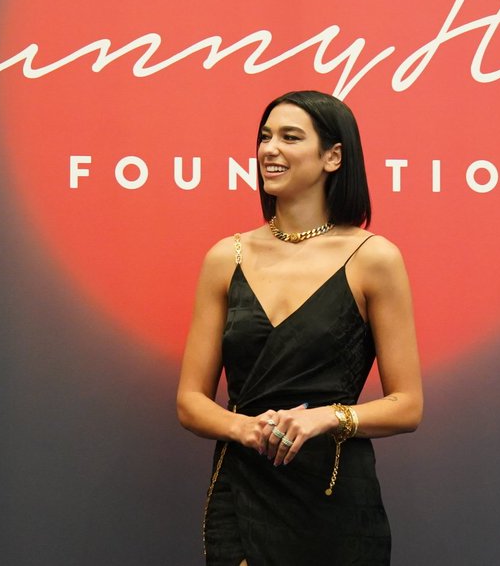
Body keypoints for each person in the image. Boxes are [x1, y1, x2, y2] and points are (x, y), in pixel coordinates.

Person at [177, 90, 423, 566]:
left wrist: (327, 417)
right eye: (265, 137)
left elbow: (407, 405)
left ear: (333, 157)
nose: (269, 149)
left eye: (290, 137)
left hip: (335, 497)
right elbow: (190, 401)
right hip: (242, 490)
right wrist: (246, 429)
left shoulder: (374, 258)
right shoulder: (226, 257)